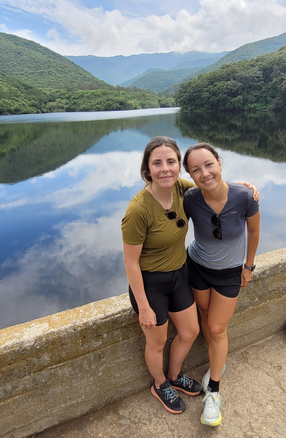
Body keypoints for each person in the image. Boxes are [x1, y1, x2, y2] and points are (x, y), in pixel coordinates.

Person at [121, 136, 204, 414]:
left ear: (179, 165)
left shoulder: (182, 189)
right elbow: (131, 263)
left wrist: (245, 188)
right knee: (156, 341)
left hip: (179, 275)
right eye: (157, 163)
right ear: (147, 168)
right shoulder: (138, 210)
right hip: (150, 284)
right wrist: (143, 307)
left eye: (171, 161)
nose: (165, 168)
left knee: (190, 330)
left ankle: (175, 375)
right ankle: (160, 384)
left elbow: (214, 189)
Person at [182, 142, 261, 427]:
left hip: (229, 273)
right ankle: (217, 359)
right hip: (197, 268)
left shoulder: (244, 197)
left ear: (220, 163)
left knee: (216, 327)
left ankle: (214, 389)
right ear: (190, 175)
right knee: (204, 316)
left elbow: (253, 231)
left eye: (209, 165)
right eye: (195, 170)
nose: (204, 173)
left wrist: (249, 265)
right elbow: (163, 193)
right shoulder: (189, 197)